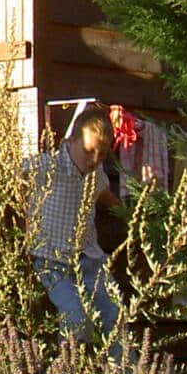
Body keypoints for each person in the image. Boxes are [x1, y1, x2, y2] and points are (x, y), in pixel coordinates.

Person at [27, 107, 123, 346]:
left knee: (115, 314)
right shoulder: (46, 167)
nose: (93, 160)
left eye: (101, 155)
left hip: (88, 258)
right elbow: (10, 177)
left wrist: (128, 214)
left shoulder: (96, 175)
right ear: (71, 141)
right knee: (76, 317)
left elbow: (105, 195)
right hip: (52, 260)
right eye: (89, 151)